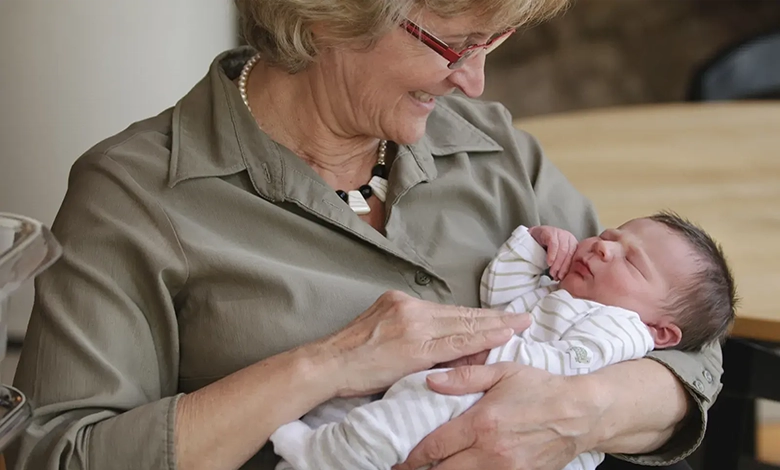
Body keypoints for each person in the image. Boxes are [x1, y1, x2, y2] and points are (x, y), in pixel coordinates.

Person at [7, 0, 725, 469]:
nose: (474, 81)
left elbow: (685, 338)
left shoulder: (491, 146)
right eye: (453, 44)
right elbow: (56, 455)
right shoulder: (136, 195)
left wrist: (586, 412)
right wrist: (324, 366)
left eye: (494, 41)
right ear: (330, 16)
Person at [270, 213, 737, 470]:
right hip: (477, 393)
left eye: (631, 263)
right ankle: (326, 444)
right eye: (612, 236)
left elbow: (562, 367)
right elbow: (500, 293)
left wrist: (491, 347)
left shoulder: (619, 330)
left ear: (660, 332)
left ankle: (321, 457)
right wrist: (534, 246)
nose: (603, 247)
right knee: (373, 402)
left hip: (502, 407)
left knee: (405, 411)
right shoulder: (559, 295)